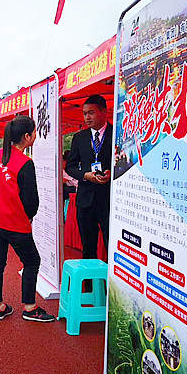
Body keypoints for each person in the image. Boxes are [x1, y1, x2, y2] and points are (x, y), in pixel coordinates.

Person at [0, 115, 55, 322]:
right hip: (13, 223)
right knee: (32, 261)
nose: (35, 136)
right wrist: (27, 218)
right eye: (34, 133)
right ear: (27, 136)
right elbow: (32, 201)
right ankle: (30, 308)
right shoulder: (25, 163)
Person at [65, 94, 113, 259]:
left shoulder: (116, 134)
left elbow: (125, 163)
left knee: (111, 246)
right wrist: (84, 175)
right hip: (85, 200)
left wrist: (111, 174)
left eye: (91, 113)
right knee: (88, 249)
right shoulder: (80, 138)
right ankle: (89, 285)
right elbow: (70, 166)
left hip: (109, 201)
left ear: (104, 112)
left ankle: (109, 283)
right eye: (85, 113)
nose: (87, 117)